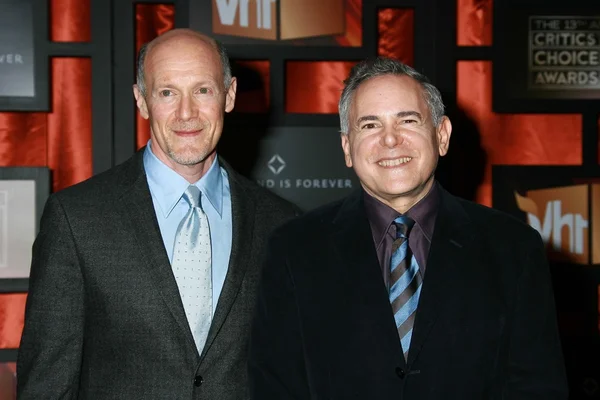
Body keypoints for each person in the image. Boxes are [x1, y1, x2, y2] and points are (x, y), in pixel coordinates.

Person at [248, 57, 568, 399]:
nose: (390, 140)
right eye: (370, 125)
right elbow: (275, 386)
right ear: (347, 148)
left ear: (441, 135)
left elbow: (537, 386)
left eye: (408, 121)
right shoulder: (295, 249)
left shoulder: (513, 248)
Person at [17, 29, 299, 399]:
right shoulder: (77, 219)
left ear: (229, 95)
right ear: (142, 100)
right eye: (167, 92)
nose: (186, 113)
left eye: (203, 90)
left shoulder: (283, 224)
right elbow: (46, 385)